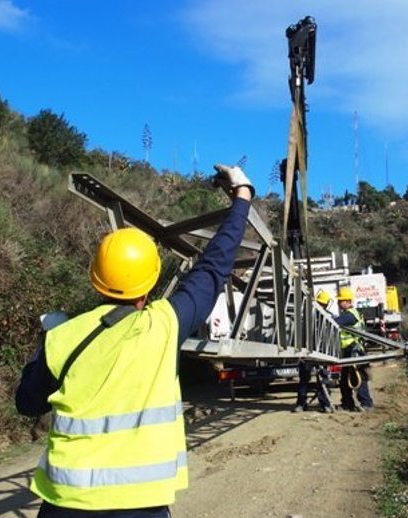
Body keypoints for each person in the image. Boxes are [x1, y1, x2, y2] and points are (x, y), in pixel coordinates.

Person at [15, 164, 255, 518]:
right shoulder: (164, 325)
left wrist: (43, 345)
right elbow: (215, 266)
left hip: (66, 506)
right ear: (151, 282)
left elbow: (28, 403)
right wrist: (242, 196)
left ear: (95, 279)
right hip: (140, 507)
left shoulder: (61, 338)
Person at [293, 289, 334, 414]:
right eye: (319, 304)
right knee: (304, 379)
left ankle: (325, 404)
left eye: (322, 304)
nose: (320, 306)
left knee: (323, 379)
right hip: (307, 353)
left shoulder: (329, 317)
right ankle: (301, 403)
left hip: (323, 352)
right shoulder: (307, 316)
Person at [335, 286, 374, 412]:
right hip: (349, 350)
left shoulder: (350, 315)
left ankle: (366, 403)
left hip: (354, 350)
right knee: (345, 378)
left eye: (340, 301)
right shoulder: (349, 314)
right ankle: (347, 403)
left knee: (358, 378)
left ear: (347, 301)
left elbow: (335, 322)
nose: (339, 303)